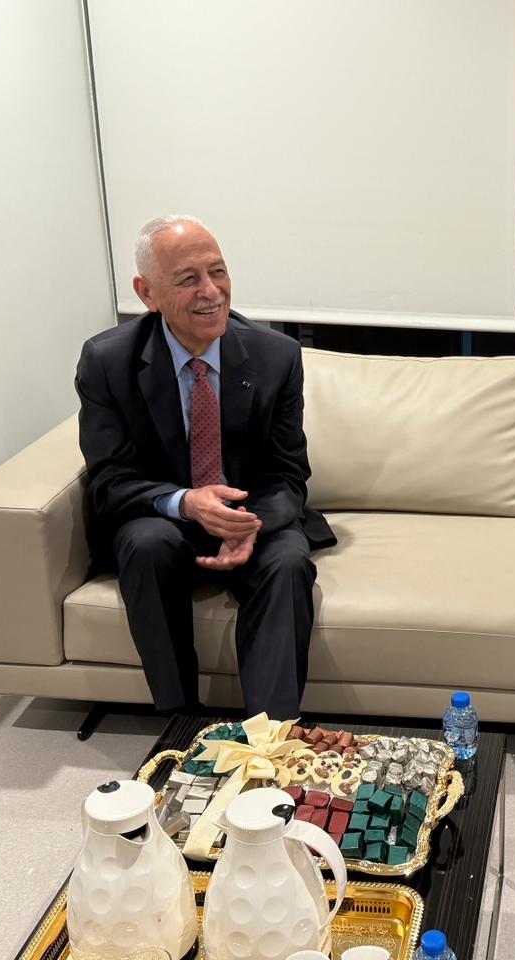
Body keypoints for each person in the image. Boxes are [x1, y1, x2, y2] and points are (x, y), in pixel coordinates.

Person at [75, 215, 334, 718]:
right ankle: (181, 722)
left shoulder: (276, 357)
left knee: (287, 561)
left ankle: (269, 736)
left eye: (218, 272)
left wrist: (246, 524)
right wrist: (186, 502)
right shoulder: (107, 361)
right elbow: (110, 480)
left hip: (249, 511)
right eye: (188, 279)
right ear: (147, 293)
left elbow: (288, 473)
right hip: (162, 517)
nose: (211, 292)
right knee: (147, 544)